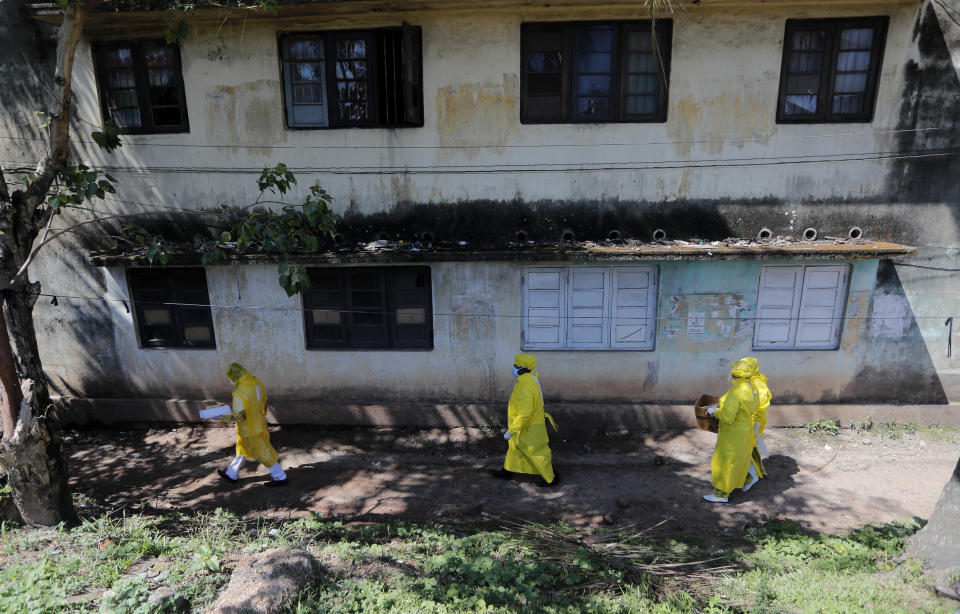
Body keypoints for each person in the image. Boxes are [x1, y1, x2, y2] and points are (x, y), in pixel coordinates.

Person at [490, 353, 558, 487]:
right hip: (526, 425)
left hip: (528, 426)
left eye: (516, 366)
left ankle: (551, 479)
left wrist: (512, 430)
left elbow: (525, 413)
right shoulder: (530, 380)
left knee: (536, 452)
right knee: (514, 448)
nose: (513, 368)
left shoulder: (525, 386)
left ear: (522, 369)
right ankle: (507, 472)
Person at [216, 362, 288, 487]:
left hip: (248, 429)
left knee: (264, 454)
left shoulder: (239, 392)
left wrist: (221, 416)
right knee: (241, 450)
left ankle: (281, 477)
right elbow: (264, 399)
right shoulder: (256, 382)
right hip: (259, 423)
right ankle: (231, 474)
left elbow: (239, 416)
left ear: (233, 377)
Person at [703, 358, 760, 503]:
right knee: (739, 460)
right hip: (746, 428)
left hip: (732, 432)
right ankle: (742, 482)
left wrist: (713, 412)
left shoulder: (735, 392)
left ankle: (721, 494)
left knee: (724, 461)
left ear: (734, 374)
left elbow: (728, 417)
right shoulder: (753, 388)